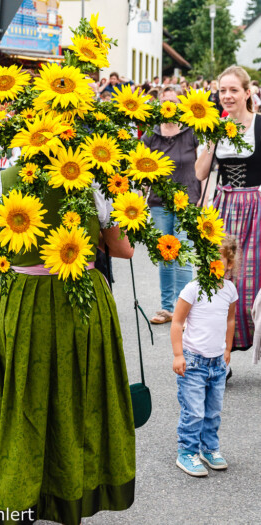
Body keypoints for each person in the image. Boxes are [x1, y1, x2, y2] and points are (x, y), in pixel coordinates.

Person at [0, 166, 136, 525]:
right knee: (76, 398)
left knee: (19, 397)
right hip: (81, 305)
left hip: (21, 303)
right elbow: (122, 249)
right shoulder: (93, 179)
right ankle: (69, 496)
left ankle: (15, 493)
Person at [195, 65, 261, 354]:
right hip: (223, 209)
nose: (227, 95)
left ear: (248, 93)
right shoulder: (217, 129)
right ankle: (223, 354)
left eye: (234, 90)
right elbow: (200, 173)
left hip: (256, 209)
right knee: (221, 280)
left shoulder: (259, 125)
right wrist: (211, 139)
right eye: (222, 90)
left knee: (253, 282)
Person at [171, 235, 238, 477]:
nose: (212, 264)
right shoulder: (193, 288)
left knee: (213, 410)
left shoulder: (230, 290)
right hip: (194, 362)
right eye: (207, 260)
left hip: (217, 363)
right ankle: (187, 451)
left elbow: (230, 320)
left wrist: (227, 349)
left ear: (229, 263)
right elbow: (177, 323)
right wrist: (178, 355)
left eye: (218, 260)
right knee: (194, 411)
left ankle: (209, 448)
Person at [141, 88, 202, 324]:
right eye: (164, 101)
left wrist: (204, 196)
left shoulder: (191, 132)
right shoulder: (151, 134)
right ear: (158, 105)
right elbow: (141, 166)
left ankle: (184, 312)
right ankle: (167, 308)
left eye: (173, 101)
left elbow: (202, 164)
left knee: (183, 254)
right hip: (159, 201)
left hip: (187, 200)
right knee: (165, 254)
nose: (169, 105)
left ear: (181, 105)